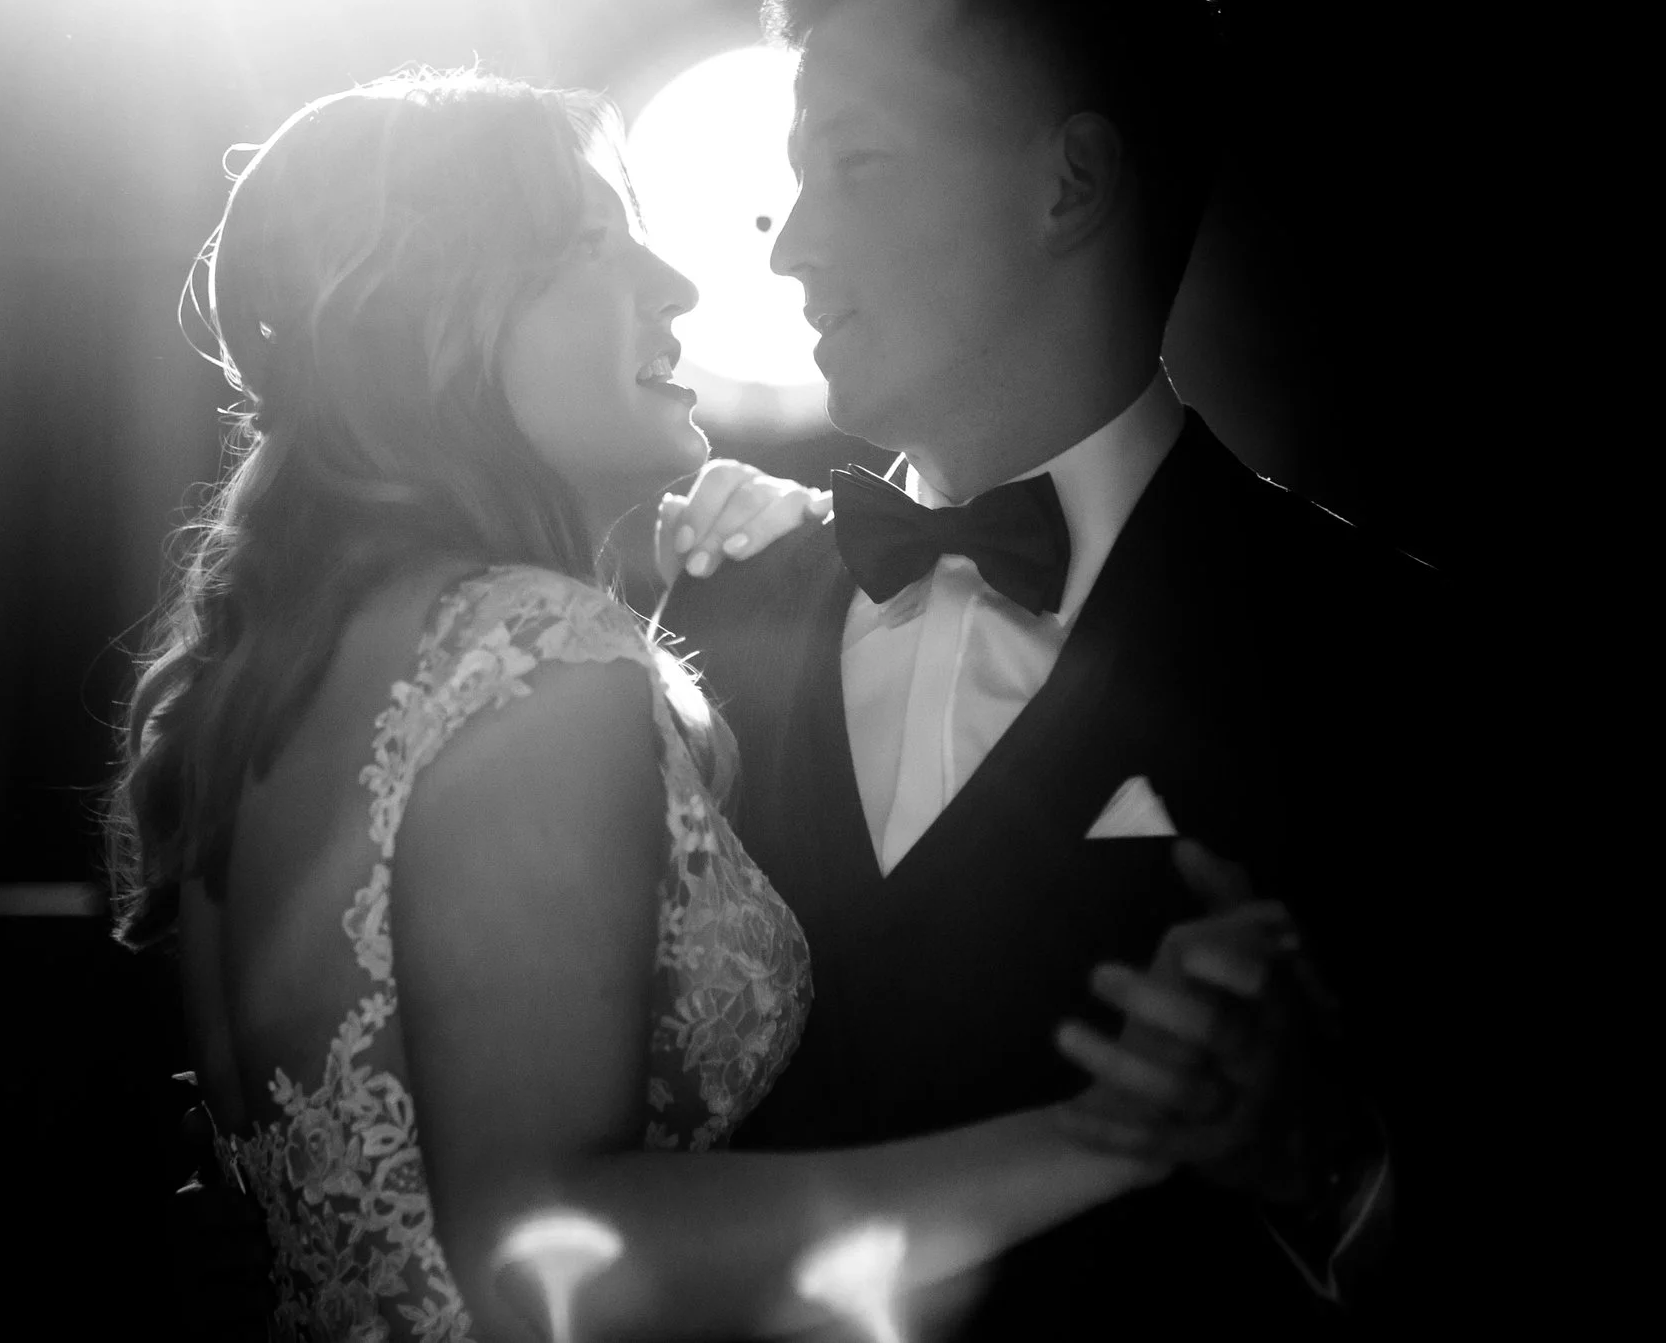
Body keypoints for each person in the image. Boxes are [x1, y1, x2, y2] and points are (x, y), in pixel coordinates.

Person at [105, 69, 1282, 1342]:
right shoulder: (536, 655)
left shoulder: (258, 686)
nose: (676, 288)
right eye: (598, 243)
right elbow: (540, 1251)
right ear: (438, 319)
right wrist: (1114, 1132)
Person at [656, 0, 1473, 1339]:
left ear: (1069, 185)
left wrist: (1327, 1159)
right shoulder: (708, 611)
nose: (790, 254)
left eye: (855, 166)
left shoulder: (1389, 656)